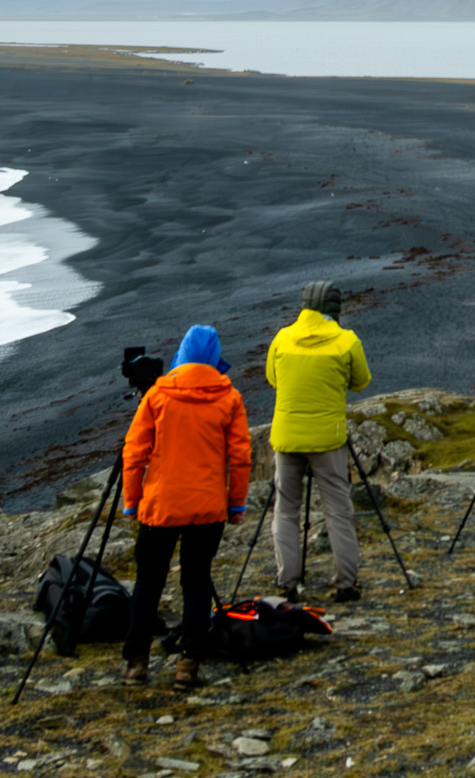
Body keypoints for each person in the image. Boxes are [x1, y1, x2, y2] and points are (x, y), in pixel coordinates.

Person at [120, 324, 251, 688]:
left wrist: (132, 502)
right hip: (208, 508)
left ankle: (136, 663)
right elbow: (240, 456)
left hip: (161, 505)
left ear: (181, 353)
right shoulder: (229, 398)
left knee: (148, 582)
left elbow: (134, 454)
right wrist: (236, 502)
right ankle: (188, 665)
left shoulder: (157, 396)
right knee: (196, 582)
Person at [266, 281, 372, 603]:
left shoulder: (282, 338)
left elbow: (272, 377)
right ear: (335, 309)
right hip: (328, 439)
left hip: (286, 439)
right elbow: (361, 381)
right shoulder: (347, 341)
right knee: (338, 509)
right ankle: (345, 584)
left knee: (286, 510)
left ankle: (288, 582)